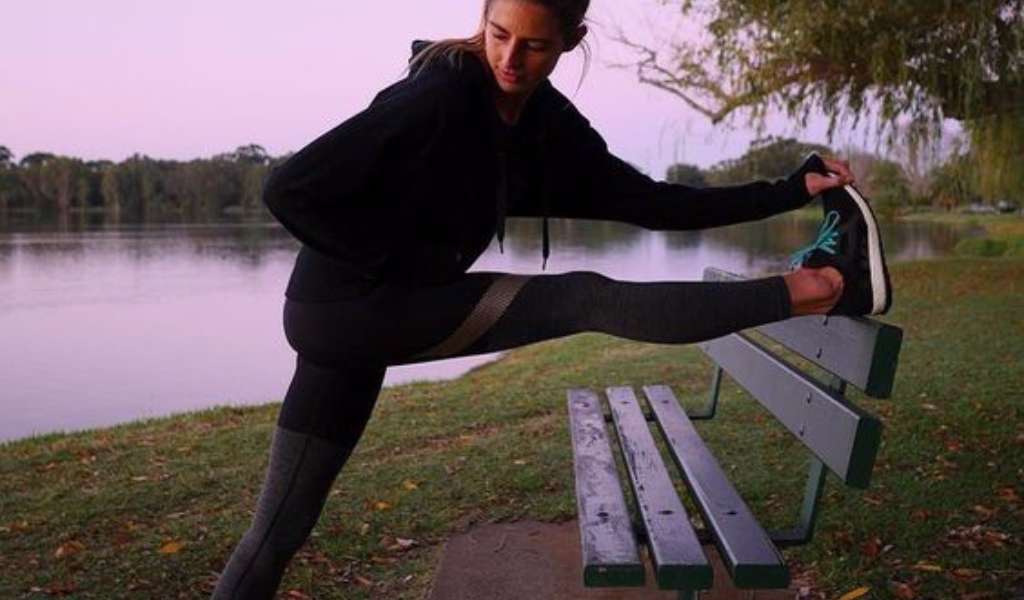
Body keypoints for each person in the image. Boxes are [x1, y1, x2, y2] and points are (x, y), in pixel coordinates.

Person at [211, 0, 891, 597]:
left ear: (572, 39)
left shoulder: (548, 128)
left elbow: (653, 204)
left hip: (349, 321)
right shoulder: (440, 95)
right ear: (483, 20)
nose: (510, 59)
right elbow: (290, 189)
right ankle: (824, 287)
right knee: (582, 297)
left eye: (534, 44)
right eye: (499, 34)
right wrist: (399, 265)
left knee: (277, 530)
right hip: (351, 308)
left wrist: (787, 191)